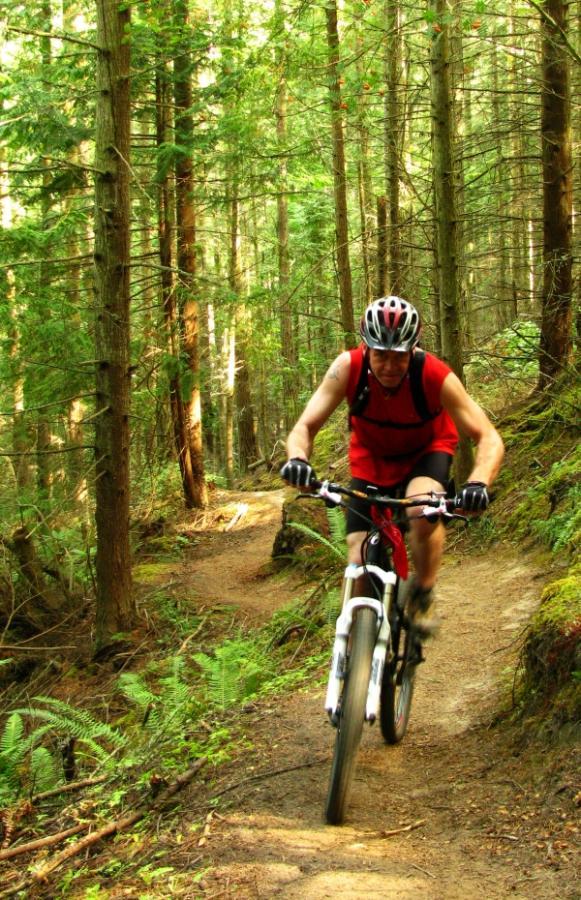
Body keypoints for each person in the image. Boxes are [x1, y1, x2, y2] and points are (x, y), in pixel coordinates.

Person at [280, 296, 504, 635]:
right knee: (357, 558)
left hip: (426, 452)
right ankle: (358, 648)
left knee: (420, 512)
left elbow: (488, 436)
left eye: (398, 356)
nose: (388, 365)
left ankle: (423, 591)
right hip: (371, 460)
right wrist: (297, 459)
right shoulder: (347, 368)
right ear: (366, 347)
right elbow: (304, 428)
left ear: (412, 350)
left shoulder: (435, 375)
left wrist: (478, 482)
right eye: (379, 354)